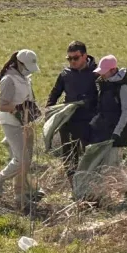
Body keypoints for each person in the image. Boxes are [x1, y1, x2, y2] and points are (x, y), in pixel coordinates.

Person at [0, 50, 41, 203]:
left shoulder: (26, 78)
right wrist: (18, 108)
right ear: (19, 63)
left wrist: (32, 108)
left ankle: (21, 193)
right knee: (21, 159)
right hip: (12, 123)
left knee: (27, 160)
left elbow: (30, 98)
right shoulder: (8, 80)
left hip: (26, 122)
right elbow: (2, 105)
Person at [46, 41, 99, 175]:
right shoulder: (65, 74)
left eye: (75, 58)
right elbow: (55, 92)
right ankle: (72, 183)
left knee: (90, 154)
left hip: (89, 120)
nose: (72, 61)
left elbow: (103, 95)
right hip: (69, 119)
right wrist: (49, 110)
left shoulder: (96, 73)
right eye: (69, 58)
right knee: (69, 156)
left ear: (84, 56)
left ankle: (91, 181)